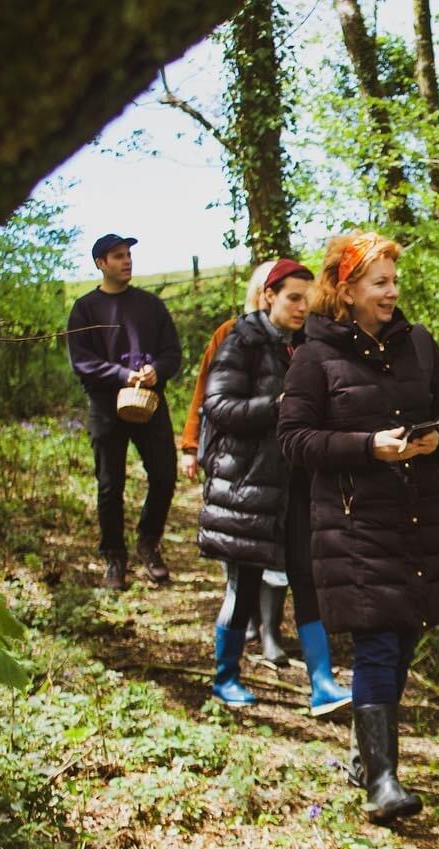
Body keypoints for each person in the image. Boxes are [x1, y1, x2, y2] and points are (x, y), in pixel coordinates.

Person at [278, 231, 439, 823]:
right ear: (347, 288)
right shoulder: (313, 357)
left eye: (394, 281)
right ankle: (383, 782)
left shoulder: (420, 344)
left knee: (404, 633)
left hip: (418, 513)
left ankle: (365, 758)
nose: (392, 292)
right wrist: (366, 446)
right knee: (380, 639)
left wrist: (437, 438)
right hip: (355, 522)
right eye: (380, 282)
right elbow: (294, 440)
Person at [196, 258, 352, 716]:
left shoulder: (309, 345)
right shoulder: (240, 339)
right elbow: (218, 406)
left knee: (307, 577)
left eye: (307, 299)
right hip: (248, 484)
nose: (302, 307)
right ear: (268, 296)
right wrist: (278, 405)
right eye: (293, 299)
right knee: (244, 585)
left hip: (298, 483)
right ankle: (225, 678)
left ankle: (322, 684)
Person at [181, 262, 293, 665]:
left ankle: (270, 629)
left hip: (280, 462)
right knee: (239, 544)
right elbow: (205, 395)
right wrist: (190, 445)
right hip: (235, 461)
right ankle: (243, 622)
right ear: (263, 293)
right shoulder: (230, 334)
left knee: (278, 549)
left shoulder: (296, 339)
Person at [66, 233, 181, 590]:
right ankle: (114, 557)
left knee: (164, 475)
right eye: (117, 256)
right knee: (109, 485)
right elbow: (81, 361)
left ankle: (148, 542)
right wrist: (121, 375)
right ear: (100, 263)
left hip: (150, 404)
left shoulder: (150, 305)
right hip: (106, 408)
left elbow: (172, 353)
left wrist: (156, 371)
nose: (126, 260)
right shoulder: (85, 309)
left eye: (128, 254)